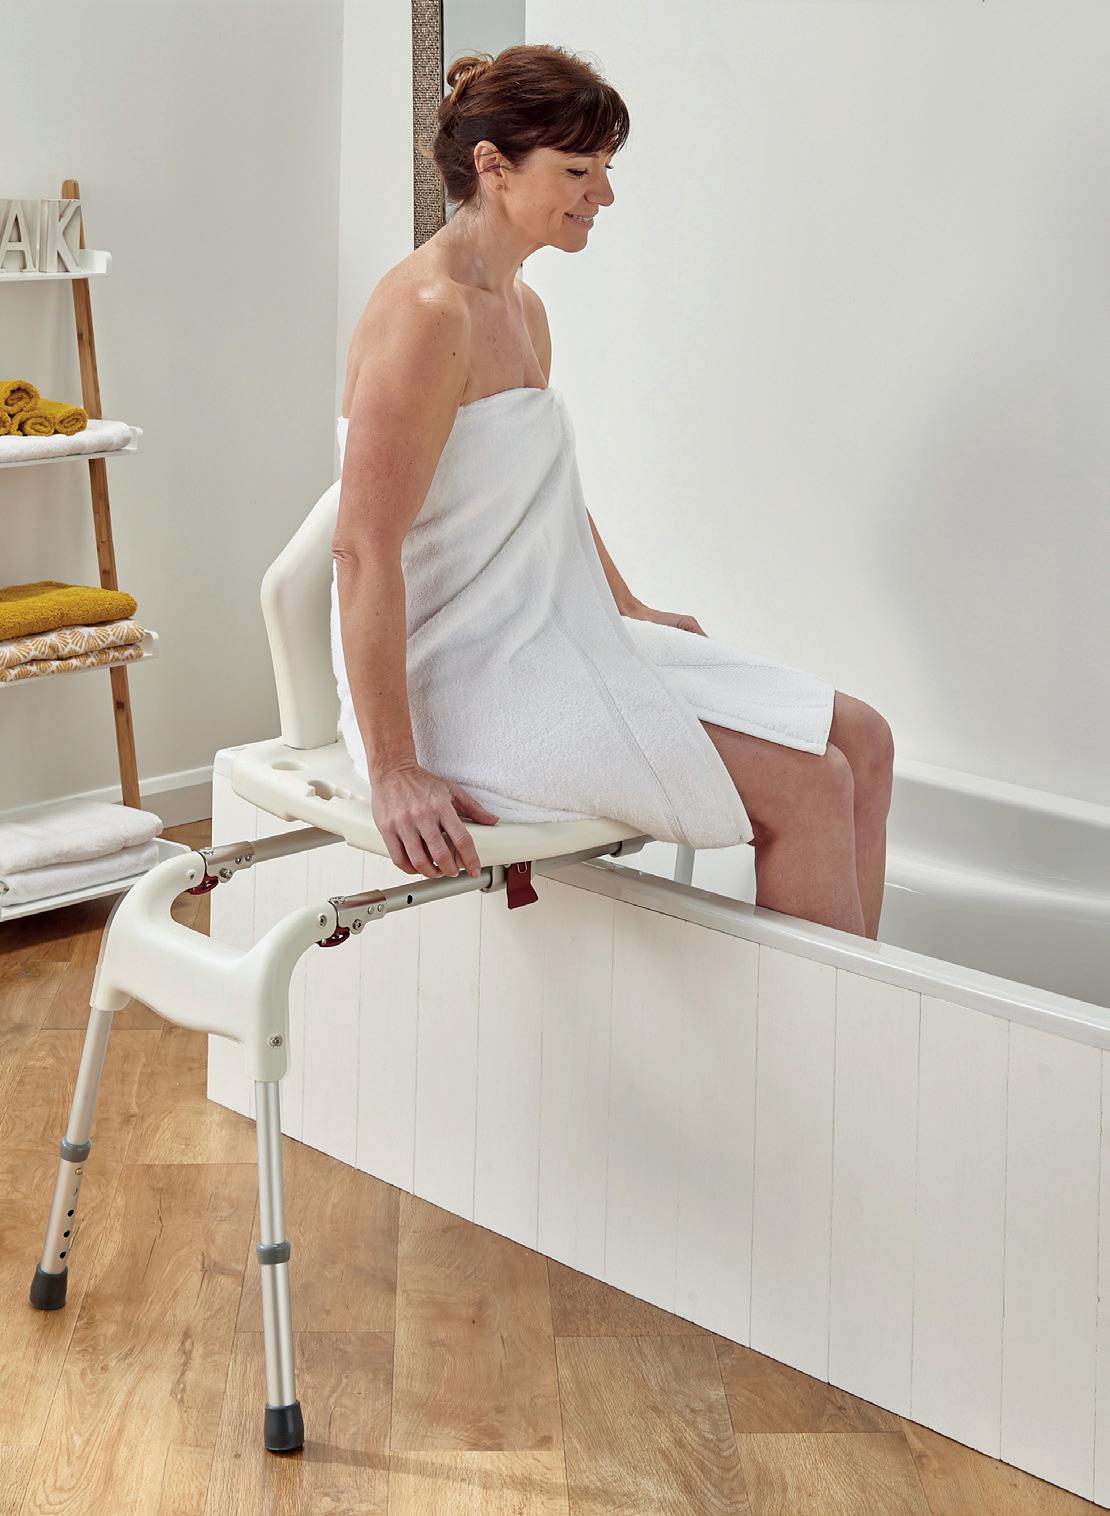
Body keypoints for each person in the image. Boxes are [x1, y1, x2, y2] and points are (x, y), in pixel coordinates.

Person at [332, 43, 894, 939]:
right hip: (457, 677)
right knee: (810, 783)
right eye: (577, 170)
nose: (603, 194)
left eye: (605, 168)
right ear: (494, 166)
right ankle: (819, 1035)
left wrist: (627, 607)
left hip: (546, 636)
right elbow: (362, 550)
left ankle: (850, 1009)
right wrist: (394, 768)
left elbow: (537, 493)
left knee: (864, 737)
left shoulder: (521, 308)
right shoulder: (427, 317)